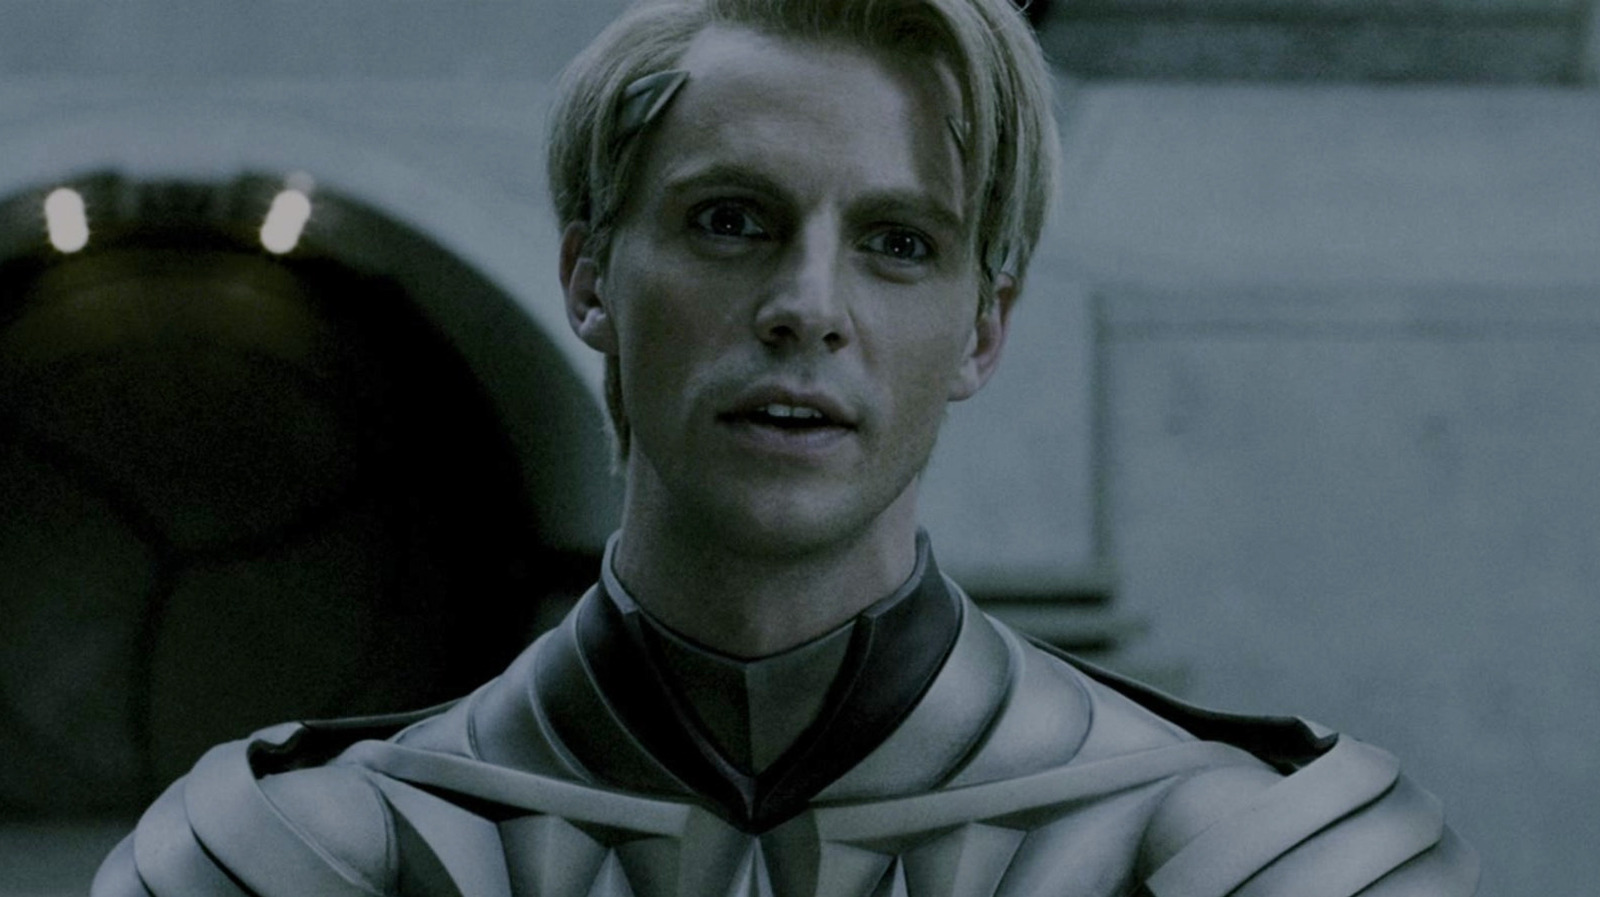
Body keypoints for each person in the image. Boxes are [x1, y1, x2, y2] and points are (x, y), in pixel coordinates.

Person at [93, 0, 1479, 894]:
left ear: (983, 329)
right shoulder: (291, 860)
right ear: (589, 277)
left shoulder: (1245, 859)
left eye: (897, 242)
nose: (807, 308)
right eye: (731, 221)